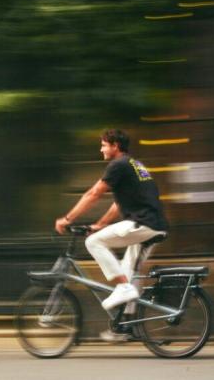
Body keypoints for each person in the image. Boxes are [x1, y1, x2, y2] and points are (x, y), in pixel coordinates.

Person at [55, 129, 169, 316]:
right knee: (128, 270)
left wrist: (67, 219)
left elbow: (94, 194)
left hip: (143, 223)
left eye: (103, 145)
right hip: (153, 224)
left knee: (93, 242)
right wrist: (100, 224)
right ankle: (127, 324)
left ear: (115, 145)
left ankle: (123, 287)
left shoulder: (118, 165)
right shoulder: (134, 164)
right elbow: (118, 204)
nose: (101, 149)